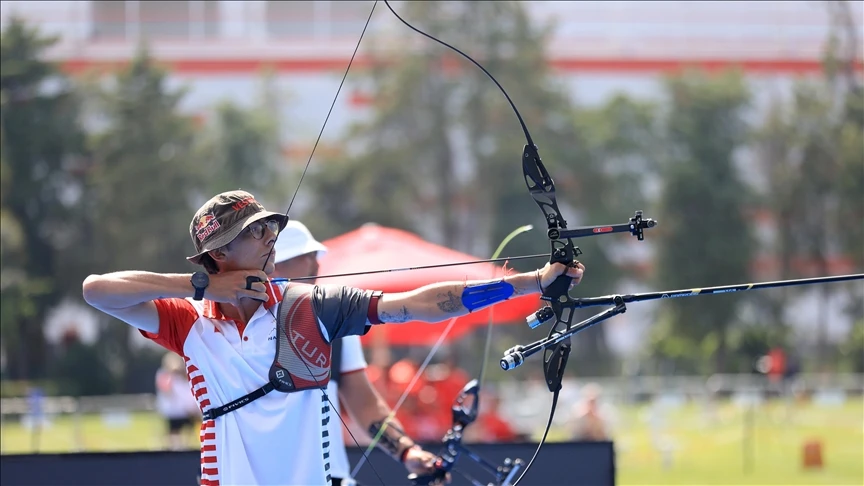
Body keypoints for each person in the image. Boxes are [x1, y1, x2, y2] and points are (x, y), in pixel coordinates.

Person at [81, 190, 586, 486]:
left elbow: (418, 304)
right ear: (219, 253)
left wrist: (532, 282)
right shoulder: (190, 321)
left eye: (270, 229)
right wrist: (201, 286)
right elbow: (97, 290)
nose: (271, 238)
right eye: (255, 233)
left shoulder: (312, 305)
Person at [270, 220, 439, 485]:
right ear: (274, 265)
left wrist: (407, 451)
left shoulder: (333, 321)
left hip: (330, 477)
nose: (316, 265)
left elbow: (365, 403)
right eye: (307, 256)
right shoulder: (233, 326)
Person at [155, 352, 200, 450]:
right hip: (172, 411)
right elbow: (167, 390)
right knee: (174, 433)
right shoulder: (164, 375)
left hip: (185, 410)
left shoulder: (183, 376)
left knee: (189, 432)